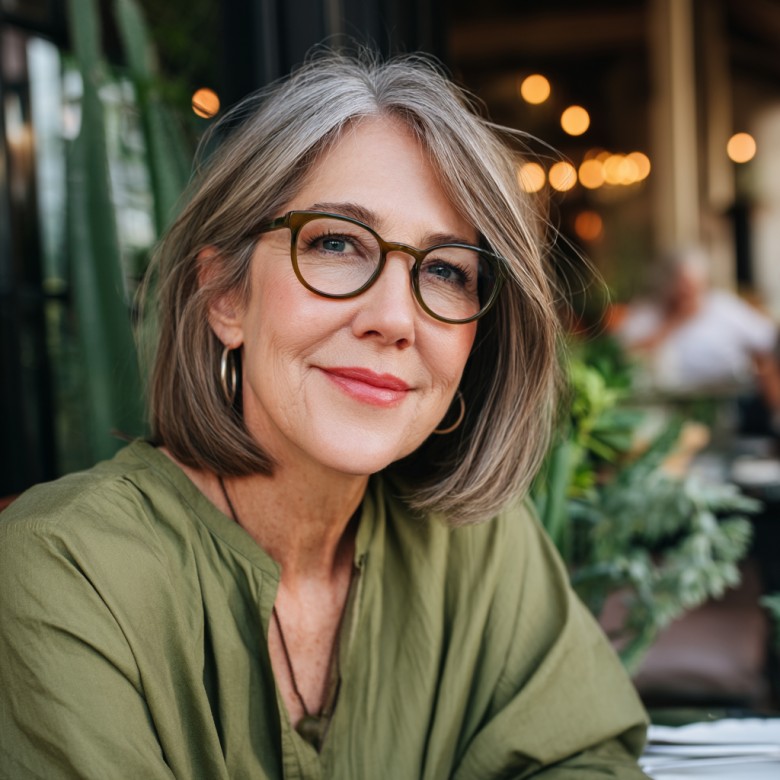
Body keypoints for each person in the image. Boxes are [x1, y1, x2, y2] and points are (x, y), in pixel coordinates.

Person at [0, 52, 648, 778]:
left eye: (445, 270)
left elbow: (586, 761)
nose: (393, 318)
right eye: (336, 243)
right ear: (225, 296)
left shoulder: (479, 545)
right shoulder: (65, 569)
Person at [616, 245, 780, 407]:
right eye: (682, 285)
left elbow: (767, 344)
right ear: (665, 285)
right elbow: (626, 355)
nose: (688, 293)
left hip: (728, 401)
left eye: (695, 286)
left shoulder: (723, 307)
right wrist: (674, 321)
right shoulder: (646, 313)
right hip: (659, 403)